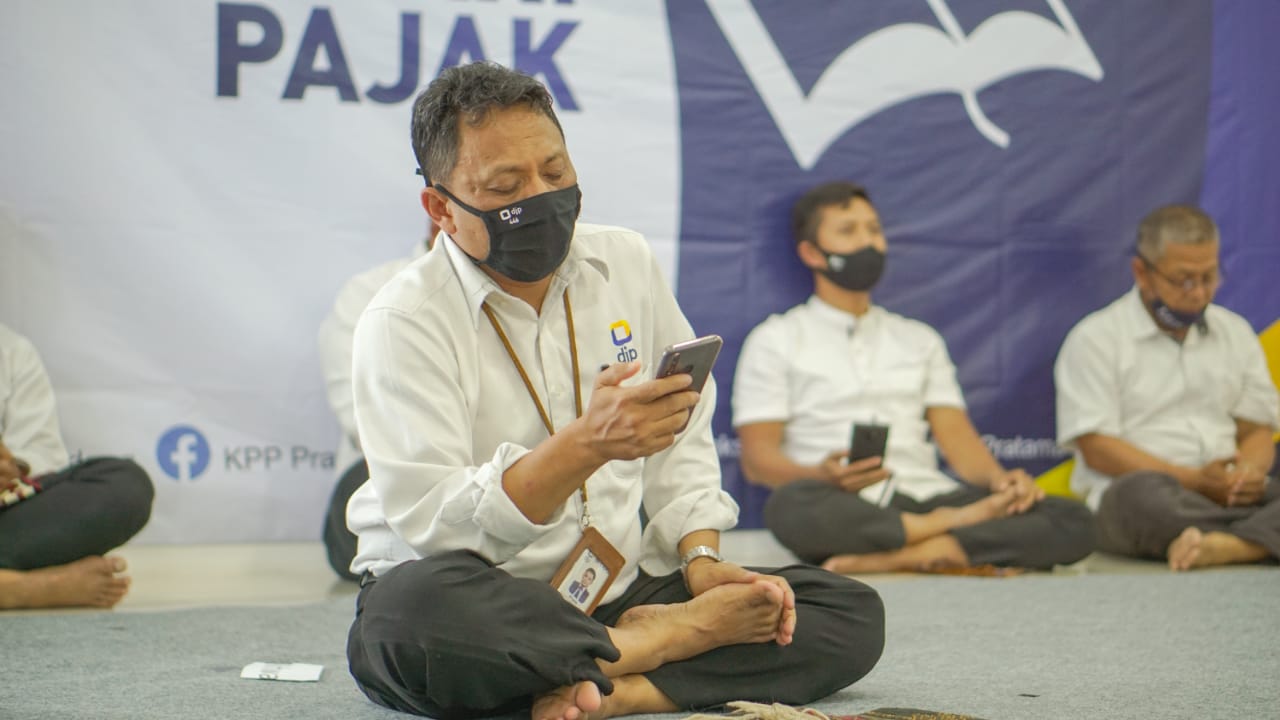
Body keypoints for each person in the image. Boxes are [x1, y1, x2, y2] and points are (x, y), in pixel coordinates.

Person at [344, 63, 884, 720]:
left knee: (843, 612)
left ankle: (617, 688)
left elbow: (684, 425)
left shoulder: (623, 260)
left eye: (555, 172)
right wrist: (586, 446)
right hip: (484, 594)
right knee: (409, 621)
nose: (541, 197)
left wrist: (701, 559)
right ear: (441, 210)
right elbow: (439, 530)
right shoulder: (403, 319)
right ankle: (654, 649)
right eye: (506, 186)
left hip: (616, 593)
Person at [733, 181, 1094, 574]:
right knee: (788, 507)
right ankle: (951, 537)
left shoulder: (918, 338)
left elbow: (957, 438)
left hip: (927, 494)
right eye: (848, 231)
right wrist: (821, 475)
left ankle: (908, 555)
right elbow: (758, 461)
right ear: (811, 253)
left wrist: (1002, 483)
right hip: (843, 503)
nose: (868, 242)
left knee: (1073, 519)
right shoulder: (775, 339)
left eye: (874, 229)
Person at [1054, 204, 1279, 571]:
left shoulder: (1235, 332)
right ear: (1142, 273)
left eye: (1209, 277)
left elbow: (1256, 429)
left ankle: (1233, 545)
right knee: (1136, 498)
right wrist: (1195, 481)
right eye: (1184, 280)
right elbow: (1097, 449)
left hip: (1230, 494)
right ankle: (1260, 538)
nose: (1199, 293)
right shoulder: (1095, 338)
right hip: (1152, 496)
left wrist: (1246, 476)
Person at [0, 323, 153, 609]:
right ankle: (25, 589)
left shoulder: (11, 350)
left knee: (125, 485)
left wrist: (13, 469)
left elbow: (42, 454)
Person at [317, 226, 435, 580]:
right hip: (392, 472)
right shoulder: (370, 293)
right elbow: (362, 420)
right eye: (503, 196)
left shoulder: (540, 294)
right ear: (439, 209)